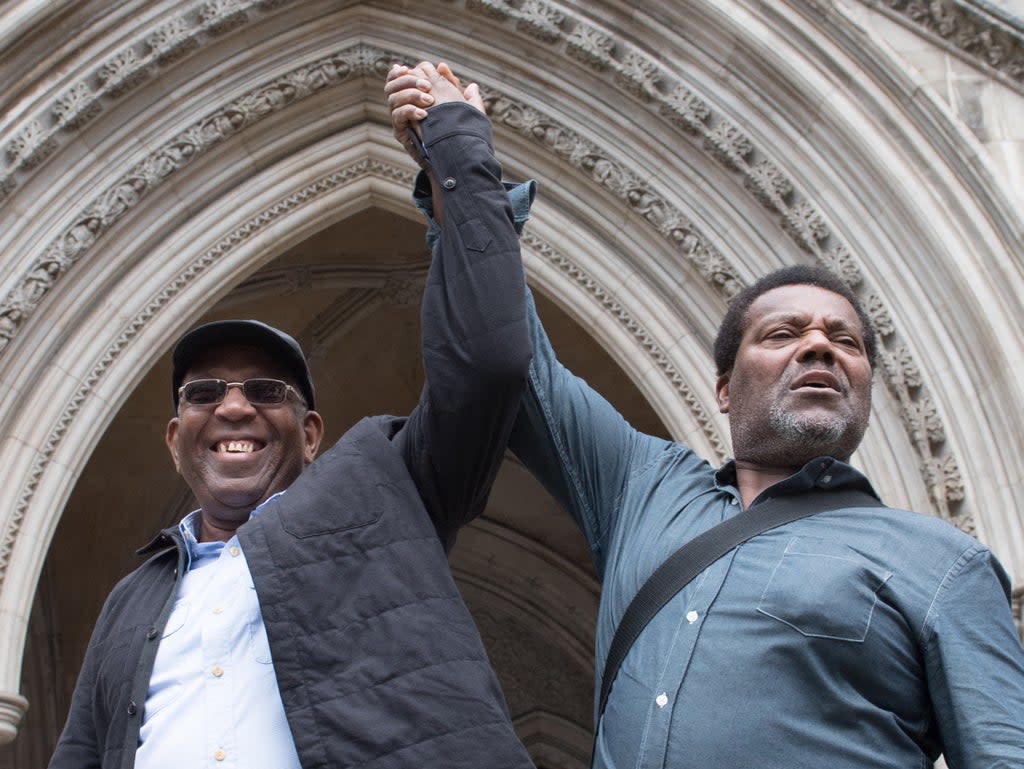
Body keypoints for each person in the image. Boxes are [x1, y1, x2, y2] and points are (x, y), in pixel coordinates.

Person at [387, 64, 1024, 769]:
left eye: (844, 341)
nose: (819, 344)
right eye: (784, 335)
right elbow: (513, 361)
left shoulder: (944, 564)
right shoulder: (643, 489)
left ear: (867, 387)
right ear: (723, 387)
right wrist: (462, 173)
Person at [49, 65, 537, 769]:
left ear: (312, 435)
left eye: (267, 391)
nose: (235, 405)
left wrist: (457, 156)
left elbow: (488, 365)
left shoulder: (381, 489)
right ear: (175, 437)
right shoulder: (132, 601)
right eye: (205, 391)